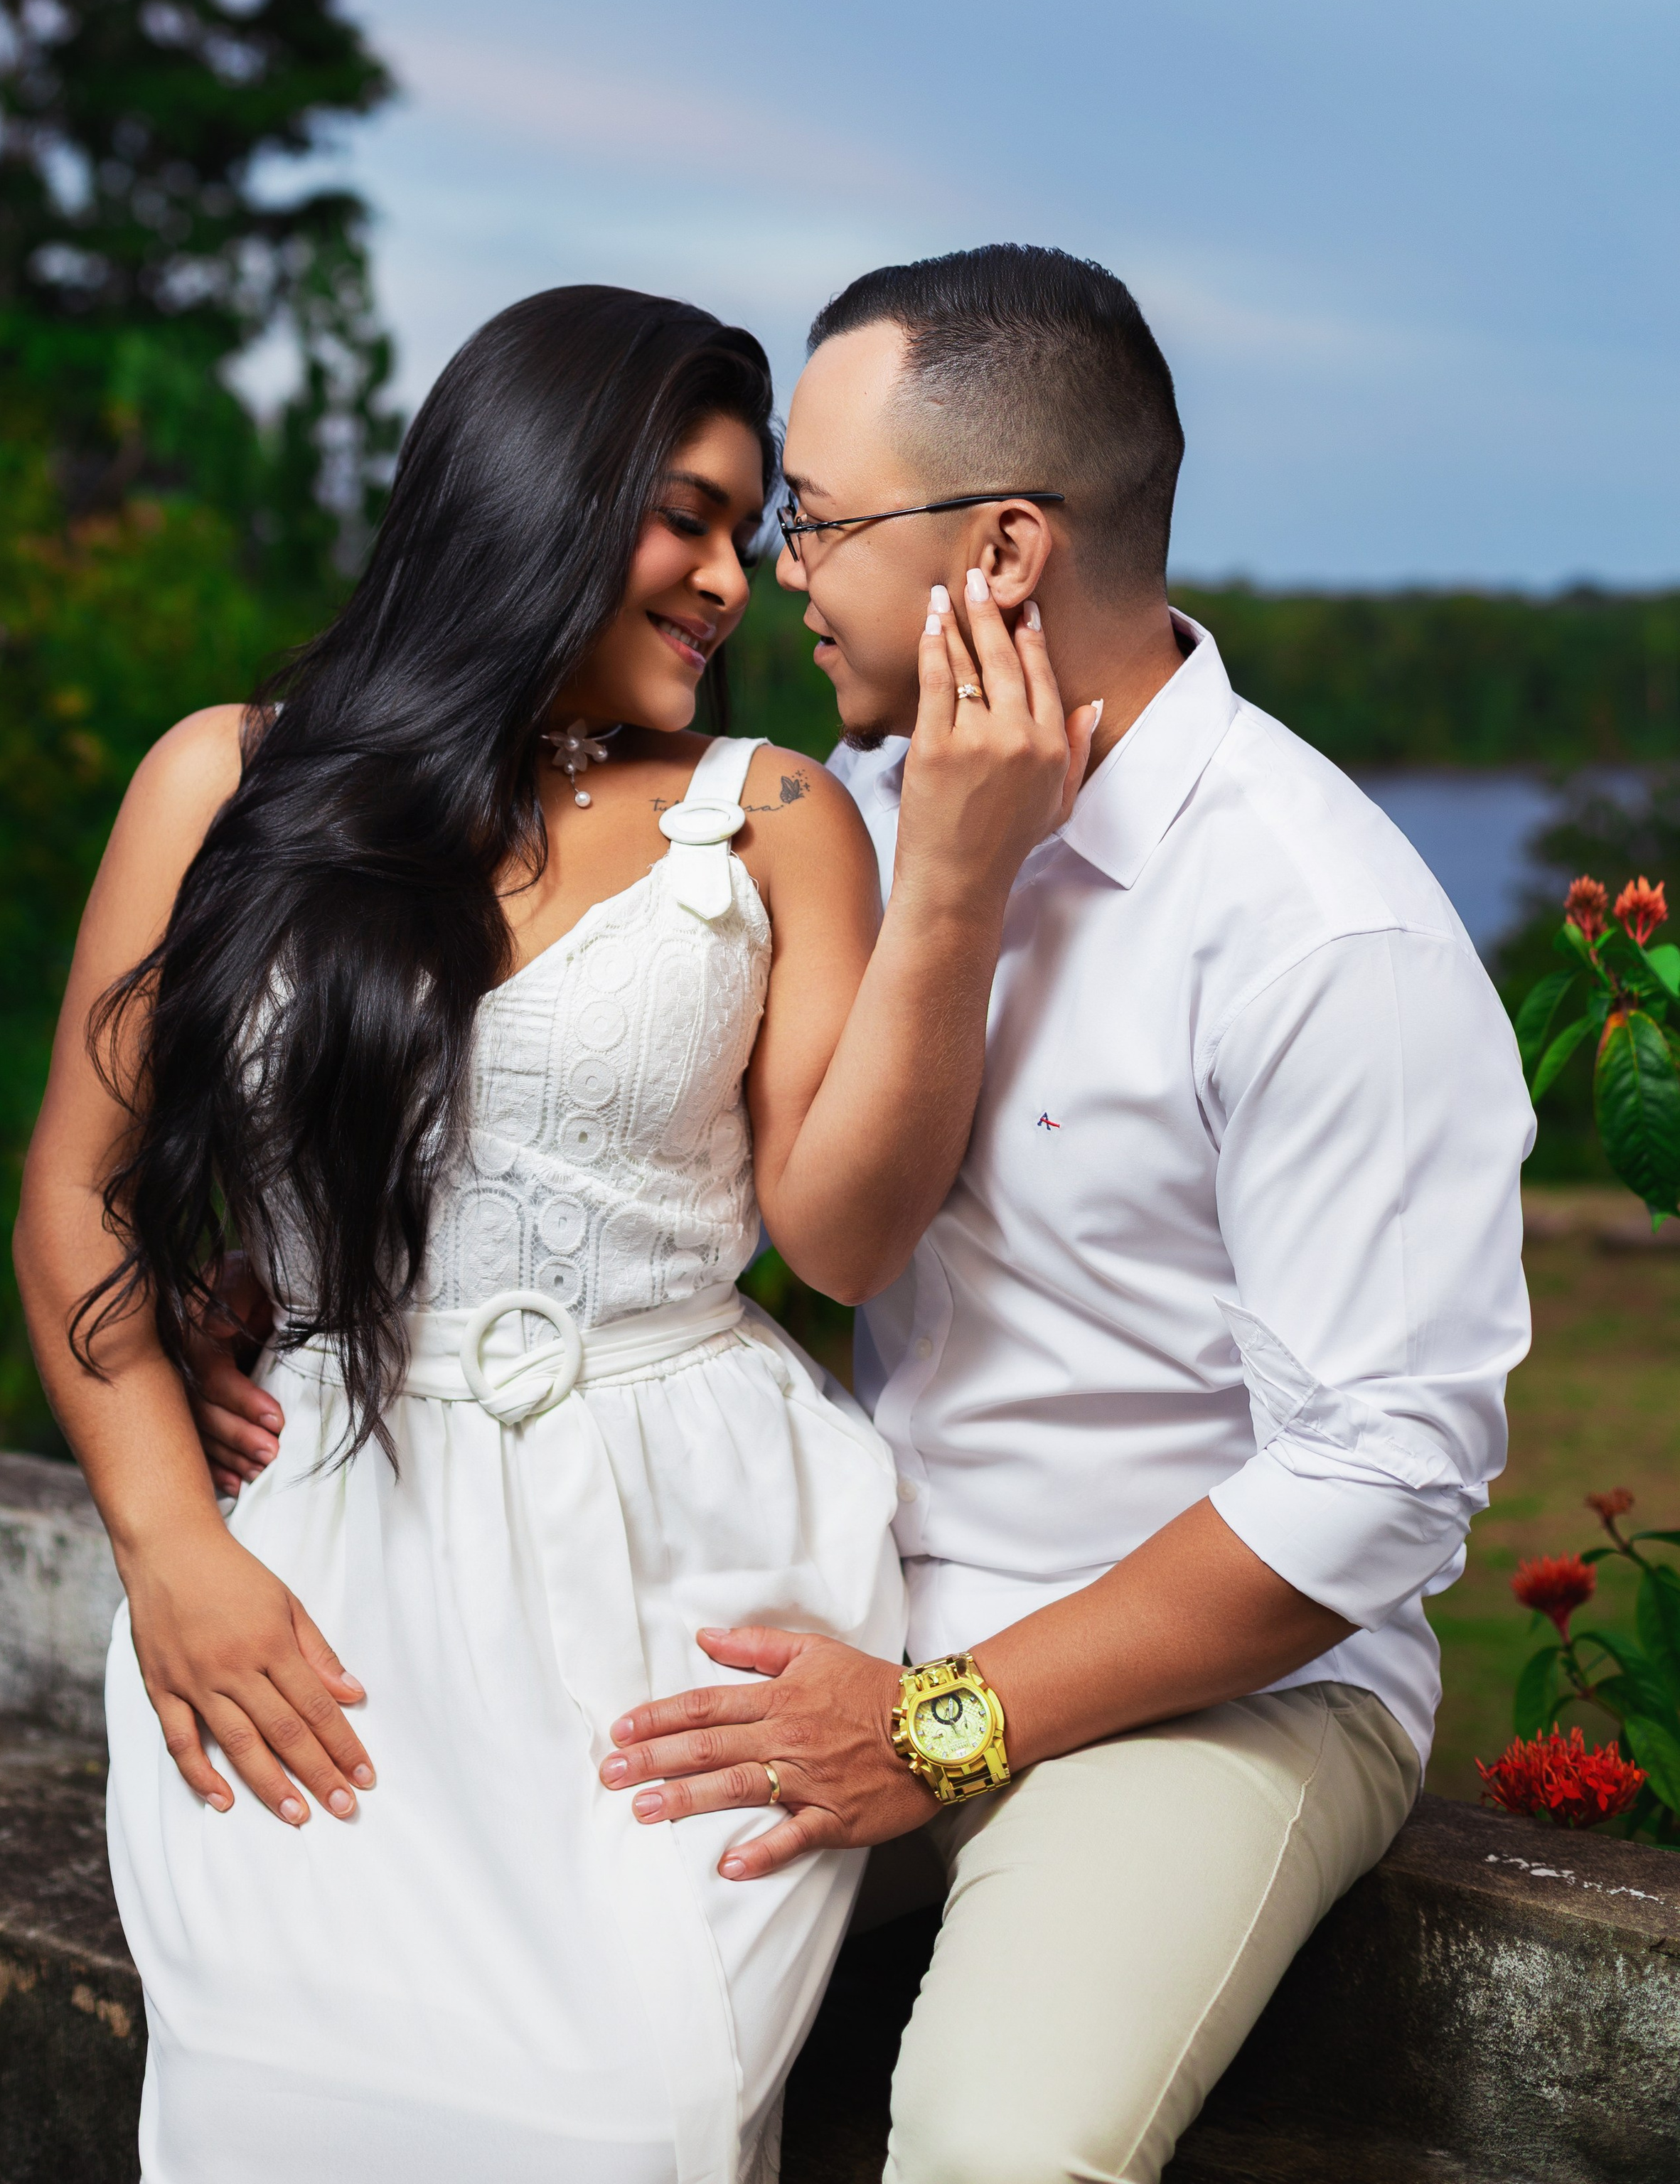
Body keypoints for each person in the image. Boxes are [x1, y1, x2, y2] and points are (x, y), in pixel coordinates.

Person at [13, 283, 1095, 2184]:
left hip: (675, 1567)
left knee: (623, 2120)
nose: (729, 580)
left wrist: (953, 894)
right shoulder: (224, 781)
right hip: (327, 1550)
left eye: (751, 533)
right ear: (532, 487)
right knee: (277, 2105)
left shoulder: (769, 821)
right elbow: (76, 1195)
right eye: (683, 513)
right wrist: (170, 1546)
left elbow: (838, 1245)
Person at [594, 247, 1536, 2184]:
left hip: (1216, 1692)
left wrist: (942, 1727)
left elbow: (1385, 1470)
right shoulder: (854, 816)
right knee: (525, 1983)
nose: (781, 568)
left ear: (1002, 551)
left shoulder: (1317, 921)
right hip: (868, 1597)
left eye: (819, 521)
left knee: (993, 2148)